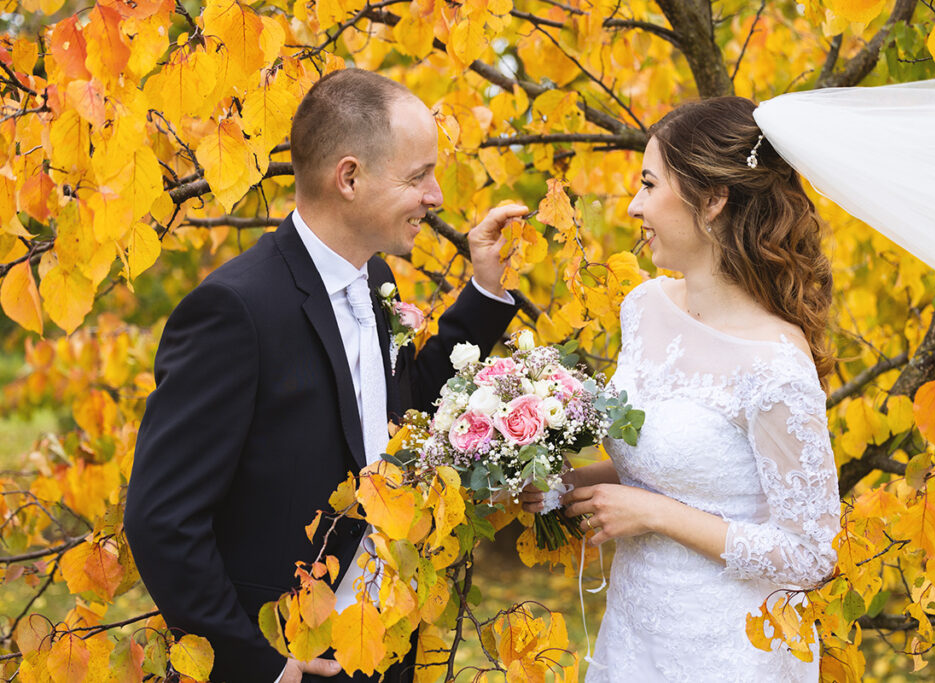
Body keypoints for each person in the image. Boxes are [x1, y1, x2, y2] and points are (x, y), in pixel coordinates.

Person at [124, 68, 527, 683]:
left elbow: (399, 414)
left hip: (378, 649)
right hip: (285, 655)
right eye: (418, 175)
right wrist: (260, 666)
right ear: (349, 177)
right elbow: (161, 518)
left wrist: (484, 292)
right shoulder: (235, 311)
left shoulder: (377, 282)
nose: (437, 196)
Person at [523, 96, 841, 680]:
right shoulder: (641, 307)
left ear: (713, 200)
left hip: (727, 651)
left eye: (649, 184)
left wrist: (656, 515)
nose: (633, 205)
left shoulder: (775, 365)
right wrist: (552, 486)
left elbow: (811, 556)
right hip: (635, 638)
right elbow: (658, 466)